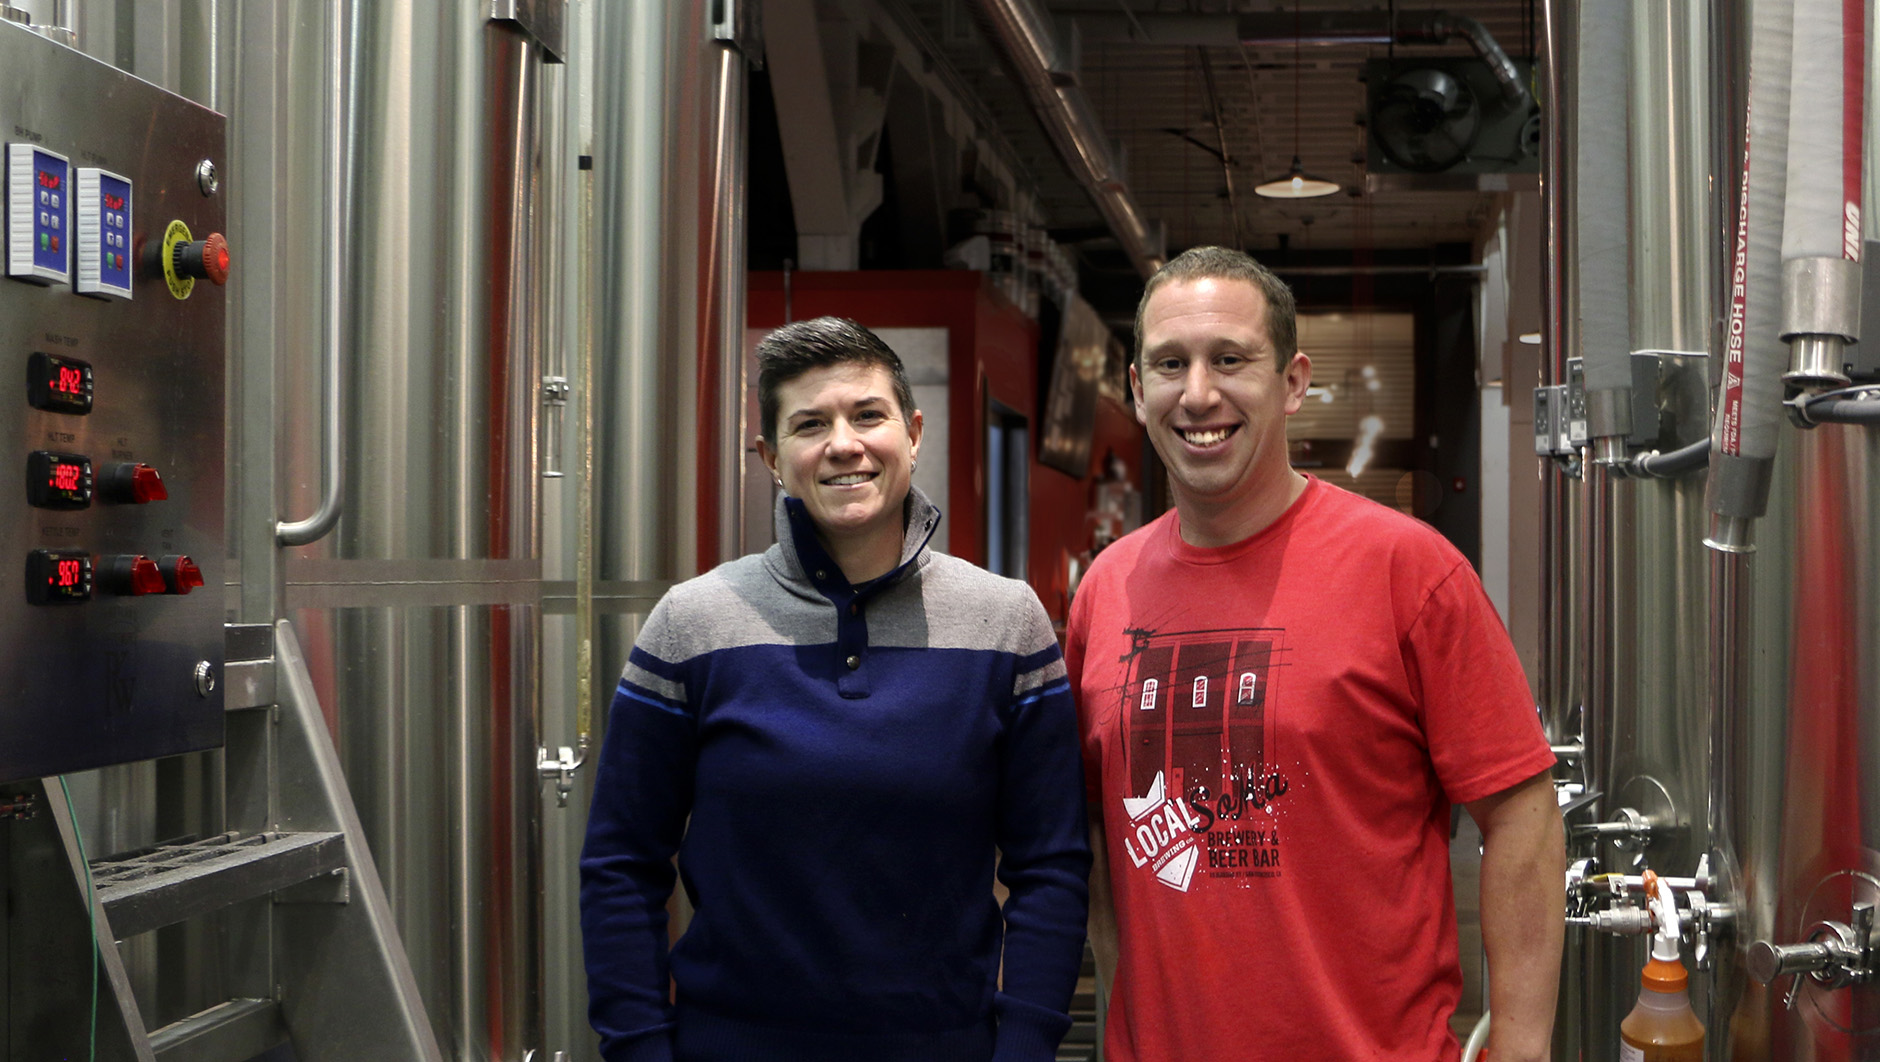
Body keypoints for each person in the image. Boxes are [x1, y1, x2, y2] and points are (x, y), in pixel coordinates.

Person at [1064, 247, 1564, 1062]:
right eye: (1170, 364)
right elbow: (1094, 832)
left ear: (1293, 382)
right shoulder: (1106, 589)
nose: (1198, 394)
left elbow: (1520, 813)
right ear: (1136, 387)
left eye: (1231, 359)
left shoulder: (1409, 569)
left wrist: (1520, 1045)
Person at [579, 317, 1091, 1062]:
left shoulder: (1006, 622)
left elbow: (1050, 865)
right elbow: (622, 864)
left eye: (868, 415)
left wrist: (1025, 1045)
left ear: (914, 433)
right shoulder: (693, 623)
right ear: (771, 458)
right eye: (810, 424)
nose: (843, 444)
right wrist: (638, 1048)